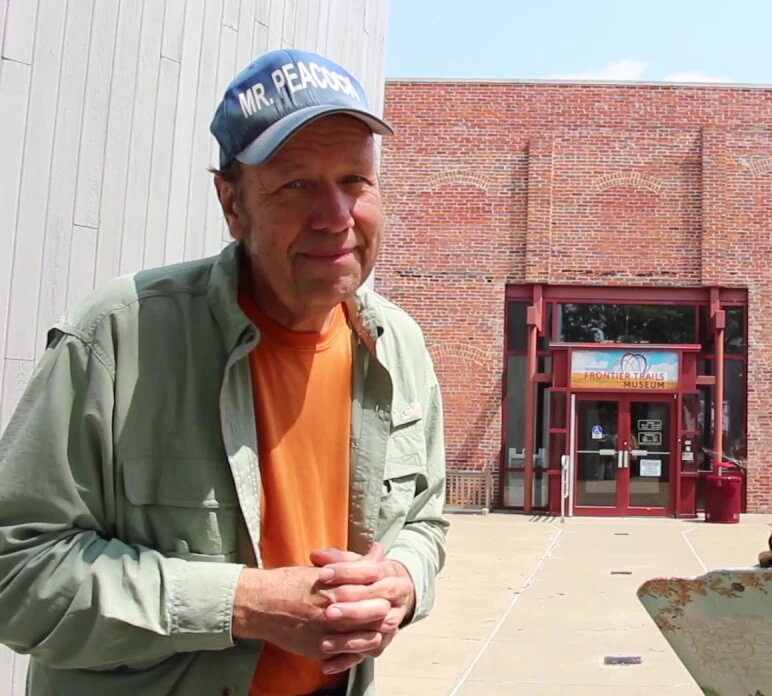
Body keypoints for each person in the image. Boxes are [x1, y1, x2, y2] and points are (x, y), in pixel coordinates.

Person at [0, 48, 449, 696]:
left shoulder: (397, 347)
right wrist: (242, 602)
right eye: (296, 184)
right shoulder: (119, 338)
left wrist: (402, 580)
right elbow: (16, 570)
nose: (336, 216)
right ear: (232, 203)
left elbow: (425, 521)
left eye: (356, 180)